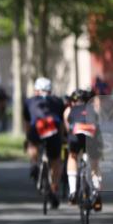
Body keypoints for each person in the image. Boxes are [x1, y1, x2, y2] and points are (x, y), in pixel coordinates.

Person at [23, 77, 65, 209]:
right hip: (53, 128)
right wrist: (62, 137)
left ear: (36, 91)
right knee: (56, 160)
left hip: (38, 127)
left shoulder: (29, 101)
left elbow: (27, 122)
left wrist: (28, 137)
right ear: (50, 91)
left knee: (32, 144)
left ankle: (35, 164)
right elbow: (62, 123)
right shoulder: (58, 101)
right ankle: (53, 189)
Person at [63, 88, 103, 210]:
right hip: (91, 133)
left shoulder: (69, 110)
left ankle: (73, 191)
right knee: (95, 163)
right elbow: (98, 127)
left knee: (72, 156)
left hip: (76, 132)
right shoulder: (93, 109)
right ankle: (96, 190)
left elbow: (67, 129)